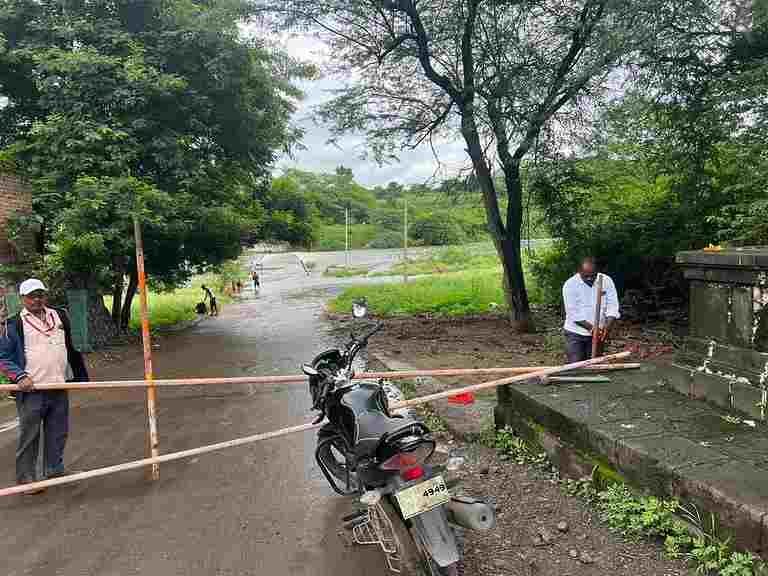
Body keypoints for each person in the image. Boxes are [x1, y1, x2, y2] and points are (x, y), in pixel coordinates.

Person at [0, 278, 89, 491]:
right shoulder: (13, 324)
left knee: (58, 431)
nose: (36, 299)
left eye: (40, 294)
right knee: (30, 435)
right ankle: (26, 480)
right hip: (32, 390)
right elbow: (2, 356)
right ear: (22, 299)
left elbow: (70, 346)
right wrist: (20, 376)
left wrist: (79, 376)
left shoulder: (59, 315)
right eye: (31, 296)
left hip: (58, 384)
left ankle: (54, 471)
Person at [562, 257, 620, 362]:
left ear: (597, 271)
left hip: (599, 331)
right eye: (586, 276)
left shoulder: (606, 281)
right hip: (575, 332)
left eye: (593, 276)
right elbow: (573, 314)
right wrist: (593, 329)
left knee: (594, 364)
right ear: (579, 272)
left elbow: (613, 306)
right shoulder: (570, 285)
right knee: (576, 364)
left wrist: (607, 326)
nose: (589, 279)